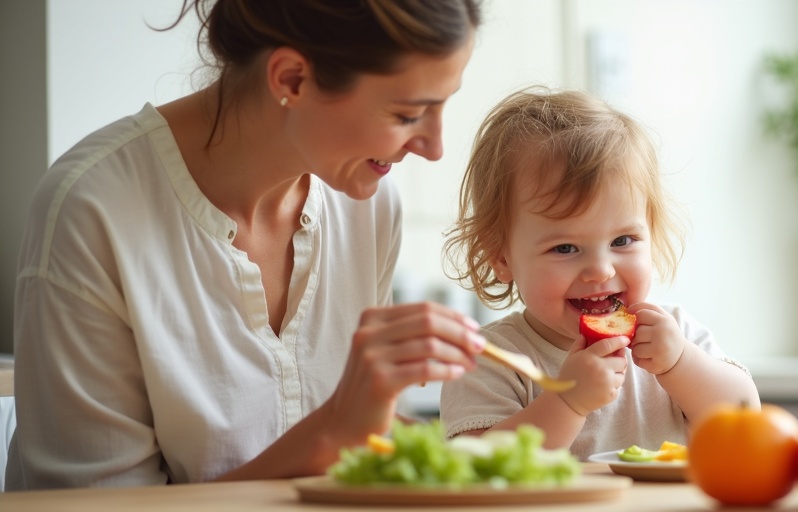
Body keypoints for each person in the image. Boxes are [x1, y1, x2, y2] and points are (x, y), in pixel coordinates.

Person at [6, 0, 485, 490]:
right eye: (408, 114)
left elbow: (367, 452)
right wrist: (333, 433)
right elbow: (99, 504)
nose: (434, 147)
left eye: (442, 104)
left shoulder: (371, 206)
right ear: (292, 79)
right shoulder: (94, 210)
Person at [439, 87, 760, 459]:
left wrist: (680, 363)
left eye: (623, 240)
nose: (600, 270)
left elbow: (745, 418)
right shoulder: (493, 358)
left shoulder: (674, 333)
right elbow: (475, 464)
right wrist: (568, 402)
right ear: (502, 258)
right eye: (565, 248)